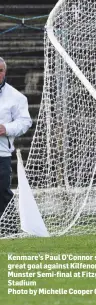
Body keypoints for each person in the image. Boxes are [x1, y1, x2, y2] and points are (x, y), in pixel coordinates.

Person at [0, 57, 33, 228]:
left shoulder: (15, 96)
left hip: (2, 154)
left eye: (0, 70)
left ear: (5, 72)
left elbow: (25, 122)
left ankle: (9, 229)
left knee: (2, 192)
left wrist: (6, 128)